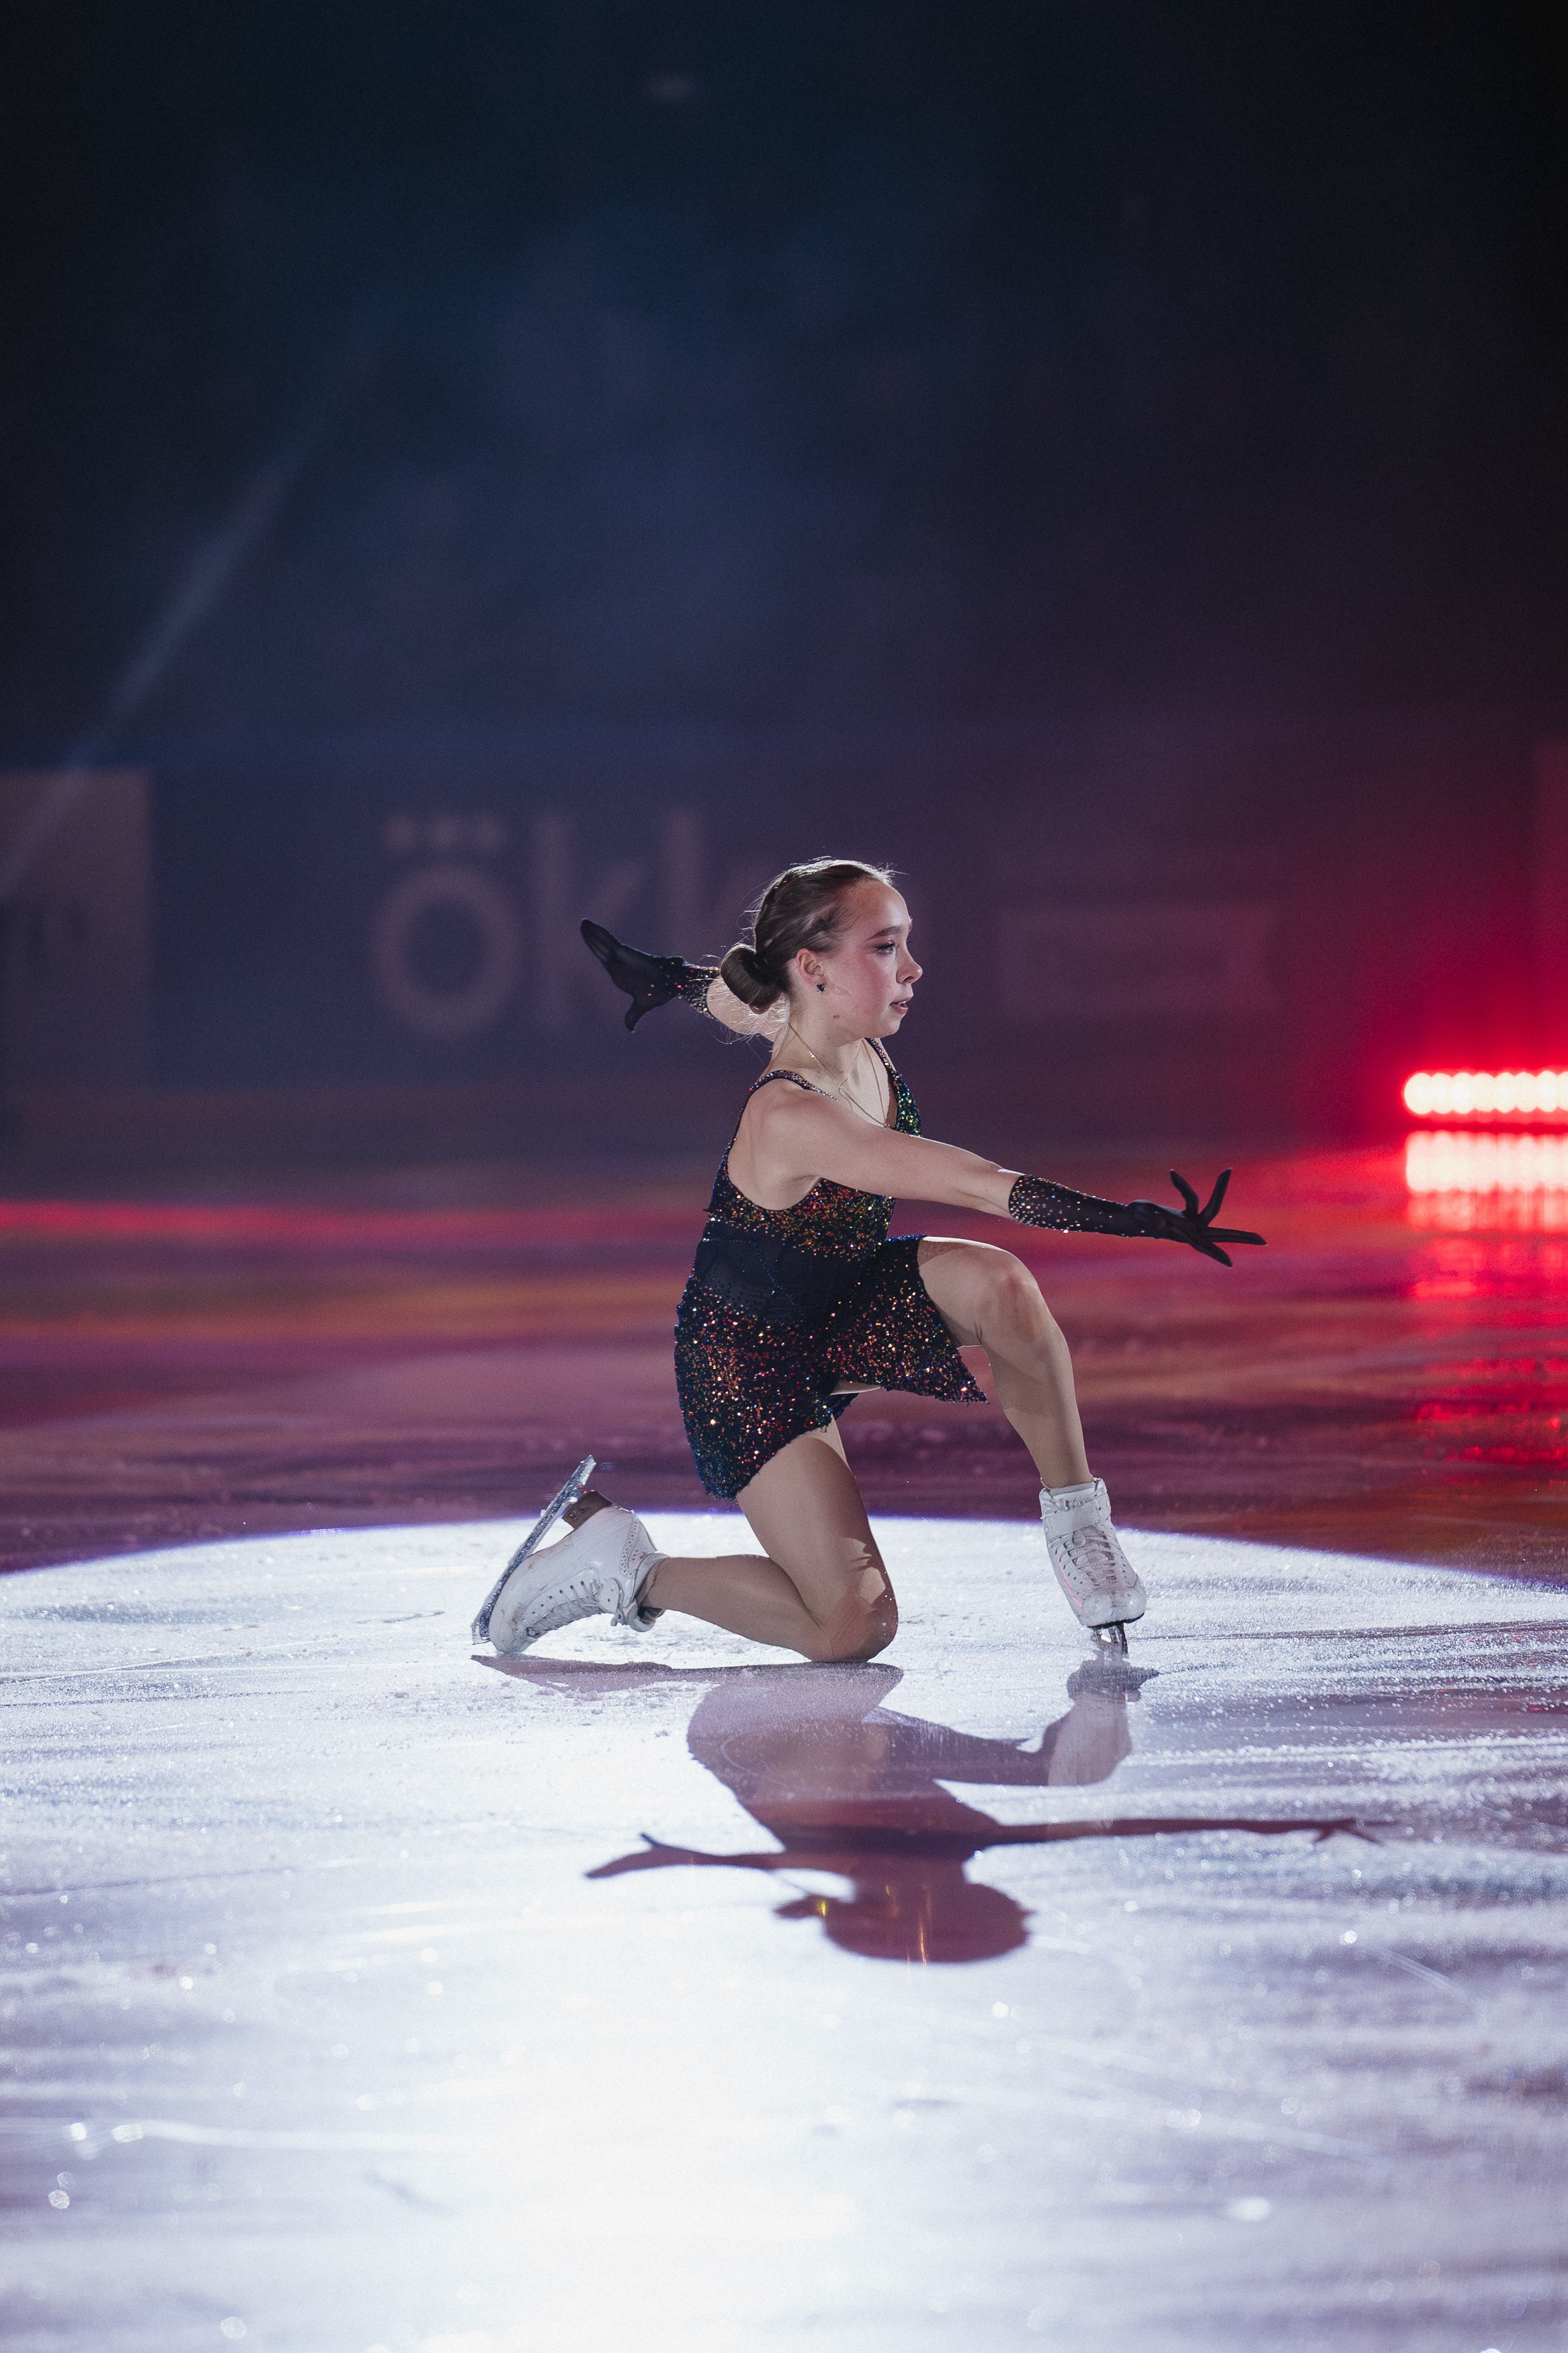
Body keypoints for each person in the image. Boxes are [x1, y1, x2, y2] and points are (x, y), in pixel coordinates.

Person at [475, 858, 1262, 1667]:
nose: (912, 968)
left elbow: (737, 994)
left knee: (1000, 1284)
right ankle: (632, 1567)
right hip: (749, 1362)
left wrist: (671, 979)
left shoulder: (822, 1019)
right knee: (851, 1626)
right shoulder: (791, 1115)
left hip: (844, 1299)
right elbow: (973, 1182)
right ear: (813, 969)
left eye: (904, 942)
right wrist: (1125, 1219)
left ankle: (1078, 1525)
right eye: (885, 947)